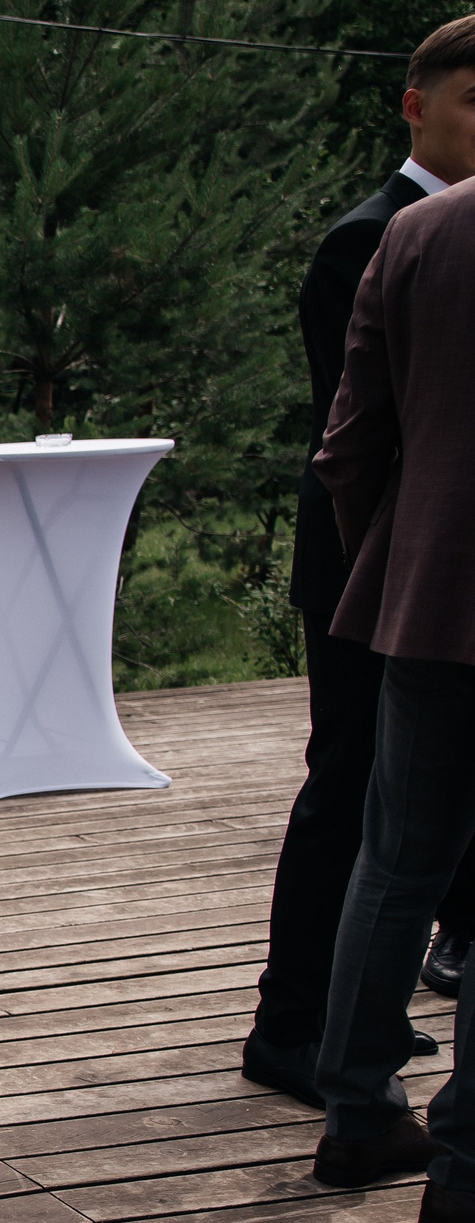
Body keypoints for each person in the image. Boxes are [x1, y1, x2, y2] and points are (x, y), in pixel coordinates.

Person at [247, 14, 475, 1106]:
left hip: (425, 572)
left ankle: (361, 1019)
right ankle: (291, 1025)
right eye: (472, 99)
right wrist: (381, 569)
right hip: (367, 566)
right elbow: (358, 434)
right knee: (345, 796)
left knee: (413, 814)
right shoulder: (370, 233)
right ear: (415, 106)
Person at [309, 173, 475, 1223]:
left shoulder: (418, 231)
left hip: (429, 605)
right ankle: (466, 1170)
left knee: (395, 860)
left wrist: (404, 561)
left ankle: (358, 1112)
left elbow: (346, 447)